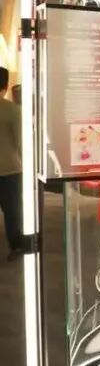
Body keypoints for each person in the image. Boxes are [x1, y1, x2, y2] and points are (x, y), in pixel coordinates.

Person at [0, 68, 22, 262]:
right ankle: (16, 246)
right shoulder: (13, 110)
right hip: (10, 168)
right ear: (6, 86)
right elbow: (20, 141)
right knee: (12, 211)